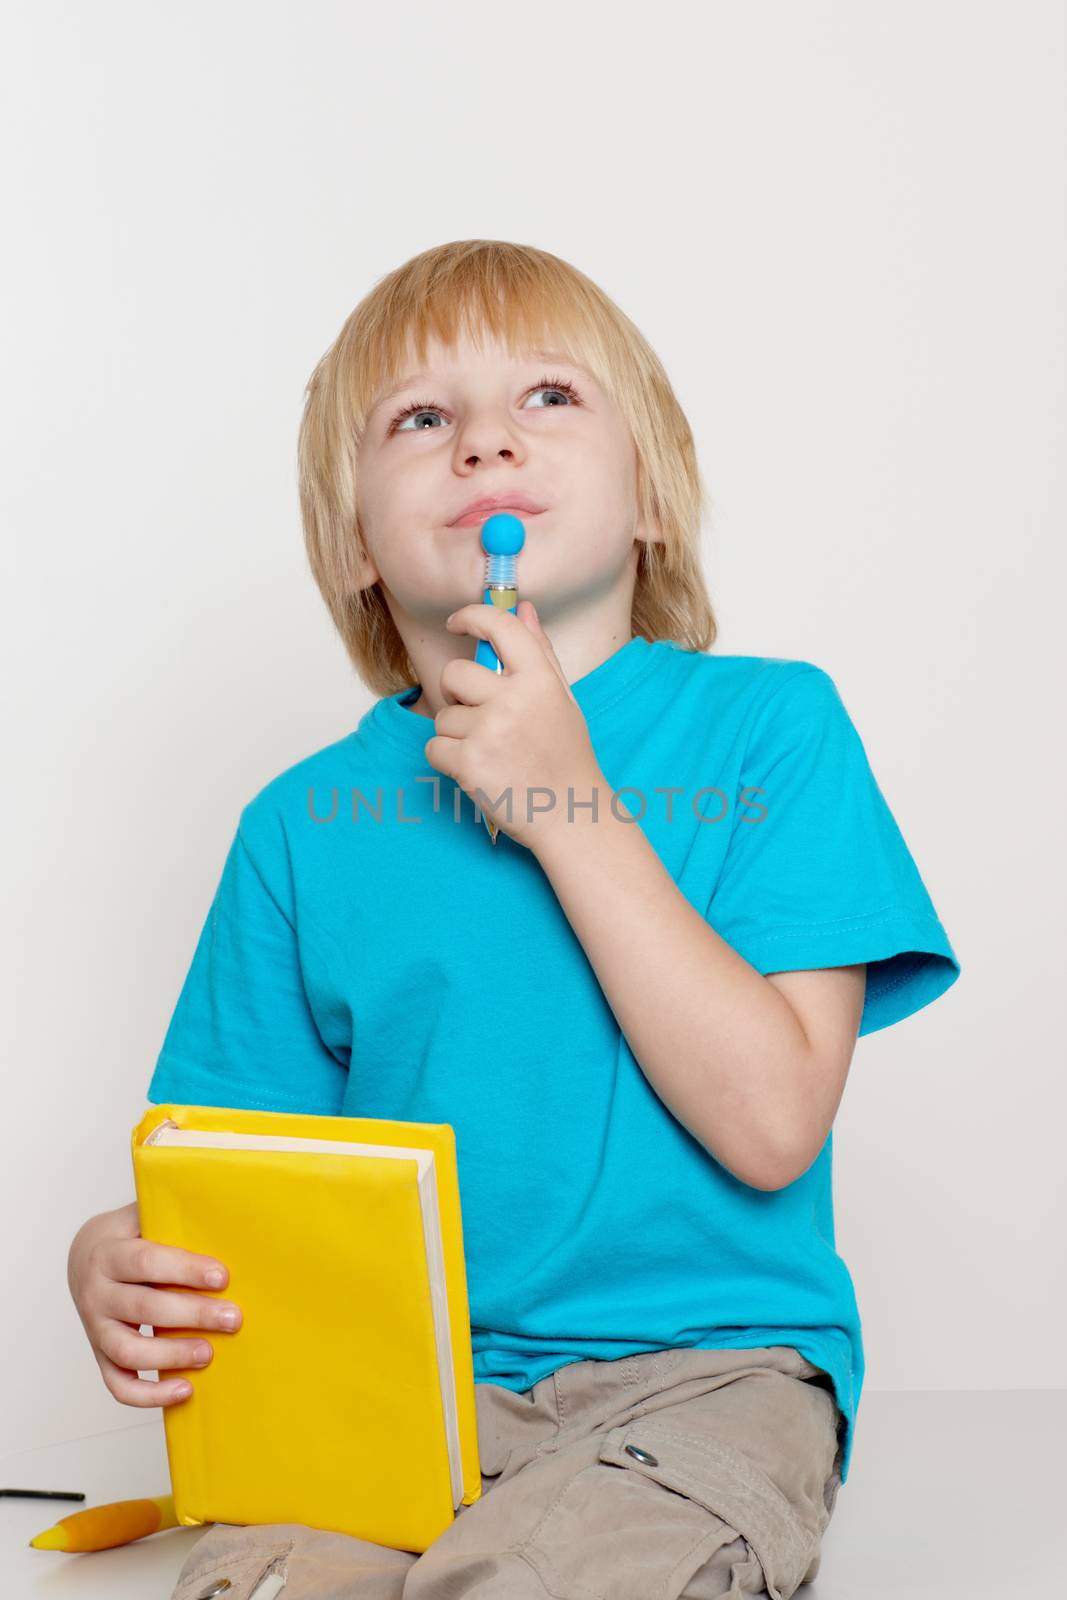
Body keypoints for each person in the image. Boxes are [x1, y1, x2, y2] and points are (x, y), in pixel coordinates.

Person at [67, 239, 961, 1598]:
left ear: (650, 499)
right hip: (394, 1398)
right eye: (422, 418)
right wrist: (117, 1254)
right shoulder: (300, 829)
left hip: (703, 1384)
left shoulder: (775, 731)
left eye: (548, 397)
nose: (486, 443)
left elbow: (774, 1122)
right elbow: (243, 1193)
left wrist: (566, 803)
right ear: (360, 543)